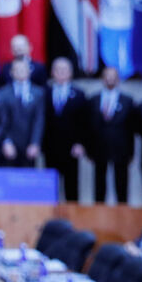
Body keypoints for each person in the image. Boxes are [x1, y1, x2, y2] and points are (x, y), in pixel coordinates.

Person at [43, 58, 90, 201]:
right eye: (58, 70)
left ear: (70, 73)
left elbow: (85, 123)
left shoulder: (79, 94)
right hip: (50, 148)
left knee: (72, 187)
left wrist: (81, 144)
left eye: (64, 70)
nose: (61, 73)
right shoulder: (45, 92)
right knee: (50, 187)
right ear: (52, 72)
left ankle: (72, 221)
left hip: (71, 148)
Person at [88, 66, 136, 203]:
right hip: (99, 148)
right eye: (107, 76)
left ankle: (123, 212)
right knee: (99, 184)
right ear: (102, 79)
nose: (110, 79)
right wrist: (89, 150)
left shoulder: (128, 101)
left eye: (113, 76)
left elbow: (131, 129)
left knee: (121, 183)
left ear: (118, 79)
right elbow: (88, 127)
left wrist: (131, 152)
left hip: (121, 148)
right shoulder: (93, 100)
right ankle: (98, 212)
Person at [0, 58, 44, 167]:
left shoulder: (38, 93)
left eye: (23, 69)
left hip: (29, 146)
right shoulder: (3, 93)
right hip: (9, 147)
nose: (20, 72)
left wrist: (35, 143)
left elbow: (39, 120)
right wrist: (6, 141)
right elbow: (1, 120)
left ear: (29, 71)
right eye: (17, 70)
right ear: (11, 72)